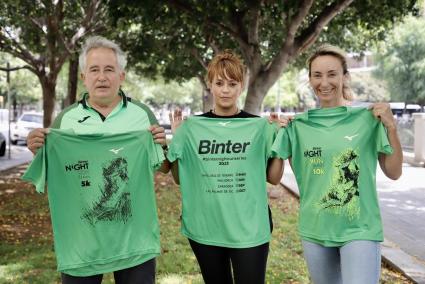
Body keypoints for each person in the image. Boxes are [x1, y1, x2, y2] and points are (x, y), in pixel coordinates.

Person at [24, 36, 168, 284]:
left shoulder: (142, 115)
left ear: (121, 76)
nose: (102, 77)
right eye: (95, 69)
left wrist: (162, 146)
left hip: (135, 241)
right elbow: (52, 177)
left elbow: (163, 168)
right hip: (82, 244)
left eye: (109, 69)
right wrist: (39, 151)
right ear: (84, 77)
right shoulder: (65, 120)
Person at [269, 44, 403, 284]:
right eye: (317, 75)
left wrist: (391, 128)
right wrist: (278, 135)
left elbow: (393, 172)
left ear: (344, 77)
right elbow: (274, 177)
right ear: (310, 79)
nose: (325, 82)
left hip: (359, 228)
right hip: (315, 229)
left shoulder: (368, 119)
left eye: (332, 74)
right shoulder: (297, 126)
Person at [166, 50, 284, 284]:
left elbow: (274, 178)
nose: (226, 89)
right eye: (219, 83)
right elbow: (180, 178)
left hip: (249, 228)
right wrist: (179, 139)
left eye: (232, 83)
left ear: (242, 86)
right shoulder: (192, 128)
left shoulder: (257, 126)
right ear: (210, 84)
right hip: (206, 228)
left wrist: (279, 139)